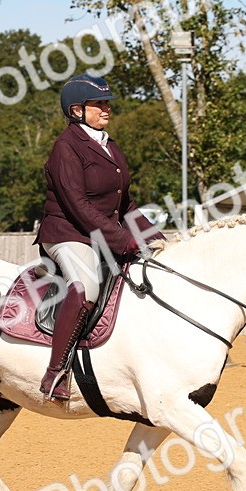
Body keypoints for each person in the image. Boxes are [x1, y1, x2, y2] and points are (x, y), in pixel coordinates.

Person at [36, 73, 163, 400]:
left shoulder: (109, 145)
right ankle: (55, 372)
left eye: (107, 104)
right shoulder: (66, 147)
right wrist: (124, 241)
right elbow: (77, 206)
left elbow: (125, 203)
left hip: (99, 234)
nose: (107, 109)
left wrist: (153, 236)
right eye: (99, 104)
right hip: (67, 232)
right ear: (77, 110)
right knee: (87, 287)